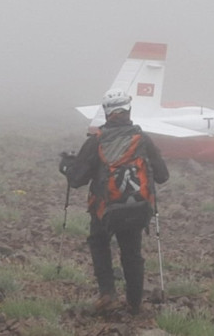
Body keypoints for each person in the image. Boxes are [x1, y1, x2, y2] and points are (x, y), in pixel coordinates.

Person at [60, 88, 169, 315]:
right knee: (131, 252)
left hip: (104, 210)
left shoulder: (96, 141)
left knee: (99, 243)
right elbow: (162, 176)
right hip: (137, 207)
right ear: (128, 110)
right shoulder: (143, 140)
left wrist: (66, 166)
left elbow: (77, 179)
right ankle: (135, 303)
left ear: (106, 112)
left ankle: (108, 293)